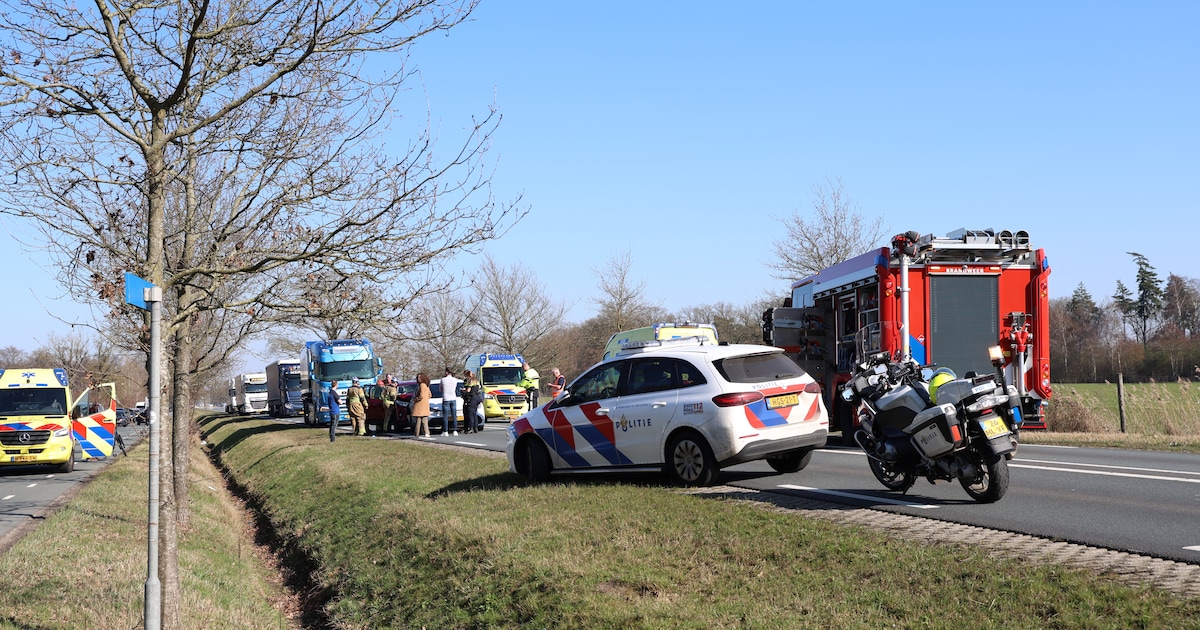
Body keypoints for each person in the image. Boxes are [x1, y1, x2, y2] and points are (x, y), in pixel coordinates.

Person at [439, 367, 460, 436]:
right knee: (454, 415)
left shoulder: (443, 379)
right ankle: (455, 430)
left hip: (446, 398)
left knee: (445, 415)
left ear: (446, 372)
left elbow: (440, 389)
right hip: (453, 397)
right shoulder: (455, 380)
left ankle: (445, 431)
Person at [411, 373, 432, 438]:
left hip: (420, 405)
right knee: (424, 419)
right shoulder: (426, 385)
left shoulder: (422, 385)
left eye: (419, 377)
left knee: (418, 420)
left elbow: (421, 395)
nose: (418, 379)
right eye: (417, 378)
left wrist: (416, 399)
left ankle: (417, 434)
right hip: (425, 404)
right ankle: (426, 432)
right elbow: (430, 395)